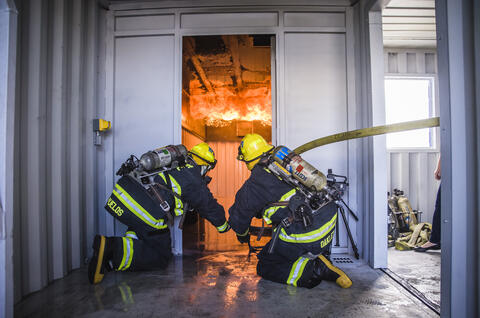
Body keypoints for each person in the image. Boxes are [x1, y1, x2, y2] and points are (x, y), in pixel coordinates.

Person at [88, 142, 230, 284]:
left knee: (147, 228)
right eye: (208, 169)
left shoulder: (175, 163)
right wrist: (224, 226)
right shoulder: (193, 177)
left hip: (121, 195)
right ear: (205, 166)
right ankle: (112, 248)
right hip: (140, 207)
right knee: (161, 255)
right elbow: (209, 207)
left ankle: (111, 259)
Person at [228, 133, 352, 289]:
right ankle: (320, 254)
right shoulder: (287, 166)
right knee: (275, 244)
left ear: (247, 159)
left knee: (266, 264)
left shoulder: (253, 184)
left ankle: (315, 269)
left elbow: (238, 220)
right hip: (328, 221)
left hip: (309, 233)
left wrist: (243, 236)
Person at [415, 156, 441, 252]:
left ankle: (435, 240)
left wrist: (438, 169)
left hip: (451, 173)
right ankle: (437, 240)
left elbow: (444, 151)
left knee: (440, 207)